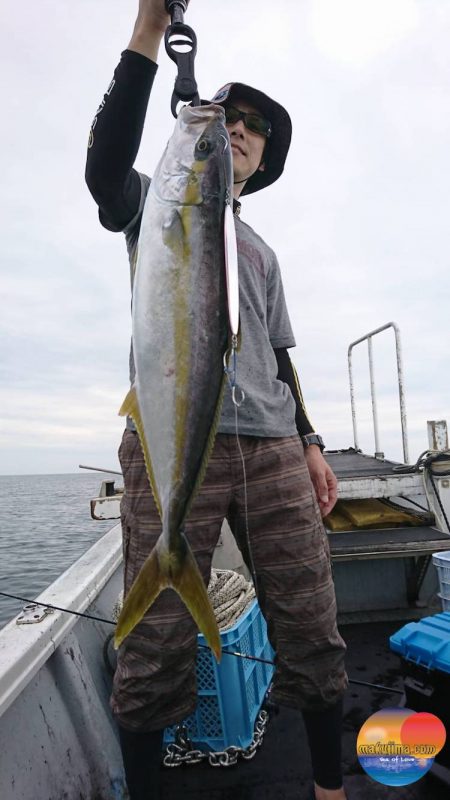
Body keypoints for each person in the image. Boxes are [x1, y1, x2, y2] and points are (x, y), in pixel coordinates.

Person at [85, 2, 349, 799]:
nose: (237, 129)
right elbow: (104, 169)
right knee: (156, 644)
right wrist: (146, 35)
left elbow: (280, 360)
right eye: (229, 118)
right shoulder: (156, 206)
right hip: (170, 445)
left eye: (254, 128)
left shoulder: (263, 254)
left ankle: (330, 789)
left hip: (271, 449)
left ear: (263, 163)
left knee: (312, 621)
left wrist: (310, 442)